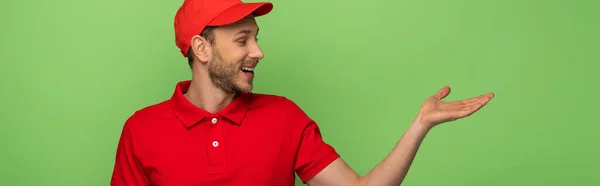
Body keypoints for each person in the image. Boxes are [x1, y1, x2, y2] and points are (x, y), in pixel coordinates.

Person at [109, 0, 495, 185]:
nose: (258, 52)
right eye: (242, 40)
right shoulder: (142, 130)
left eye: (256, 38)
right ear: (202, 49)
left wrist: (420, 125)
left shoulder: (283, 117)